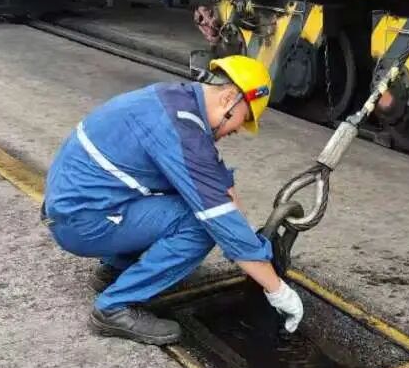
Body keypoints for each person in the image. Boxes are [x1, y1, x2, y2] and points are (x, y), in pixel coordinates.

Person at [41, 56, 304, 345]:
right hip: (83, 223)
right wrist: (278, 290)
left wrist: (248, 237)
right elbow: (217, 217)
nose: (240, 128)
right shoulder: (181, 130)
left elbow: (216, 186)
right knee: (201, 225)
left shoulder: (176, 103)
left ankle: (116, 269)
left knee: (194, 198)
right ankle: (114, 307)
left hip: (83, 208)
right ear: (229, 98)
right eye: (246, 117)